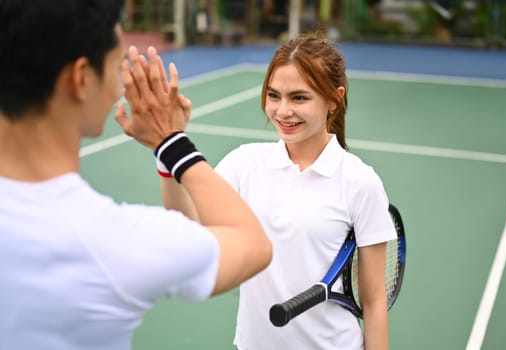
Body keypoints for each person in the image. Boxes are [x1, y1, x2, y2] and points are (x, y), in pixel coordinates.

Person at [0, 1, 271, 349]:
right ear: (81, 79)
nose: (119, 88)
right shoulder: (113, 242)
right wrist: (171, 142)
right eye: (117, 68)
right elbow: (253, 245)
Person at [149, 34, 398, 349]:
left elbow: (374, 301)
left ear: (333, 100)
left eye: (299, 98)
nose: (282, 111)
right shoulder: (245, 163)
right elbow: (189, 226)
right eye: (273, 95)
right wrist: (167, 147)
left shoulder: (361, 182)